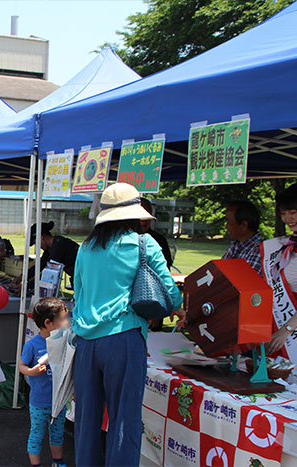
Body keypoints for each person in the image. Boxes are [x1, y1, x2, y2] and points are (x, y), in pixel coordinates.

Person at [72, 183, 183, 467]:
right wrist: (178, 310)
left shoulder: (85, 247)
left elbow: (79, 292)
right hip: (123, 338)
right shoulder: (145, 244)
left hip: (85, 342)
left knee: (86, 420)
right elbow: (170, 295)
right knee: (124, 419)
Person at [263, 183, 297, 373]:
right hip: (279, 328)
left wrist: (286, 330)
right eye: (283, 213)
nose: (287, 219)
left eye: (293, 212)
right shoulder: (286, 246)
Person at [20, 298, 70, 467]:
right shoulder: (32, 345)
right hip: (39, 402)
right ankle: (36, 465)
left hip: (59, 401)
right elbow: (21, 366)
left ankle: (58, 461)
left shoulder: (64, 341)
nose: (66, 322)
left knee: (57, 434)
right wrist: (31, 371)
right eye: (63, 319)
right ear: (48, 323)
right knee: (37, 434)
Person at [24, 221, 79, 288]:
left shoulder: (58, 245)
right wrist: (22, 277)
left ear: (41, 238)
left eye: (36, 243)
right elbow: (40, 265)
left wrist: (27, 286)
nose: (38, 247)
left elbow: (49, 273)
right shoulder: (51, 247)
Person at [222, 200, 263, 275]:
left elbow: (245, 282)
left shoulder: (259, 251)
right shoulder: (236, 244)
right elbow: (220, 272)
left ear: (244, 225)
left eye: (229, 222)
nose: (226, 226)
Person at [139, 198, 173, 270]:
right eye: (140, 217)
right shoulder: (122, 240)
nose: (143, 222)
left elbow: (166, 269)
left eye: (147, 217)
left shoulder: (160, 240)